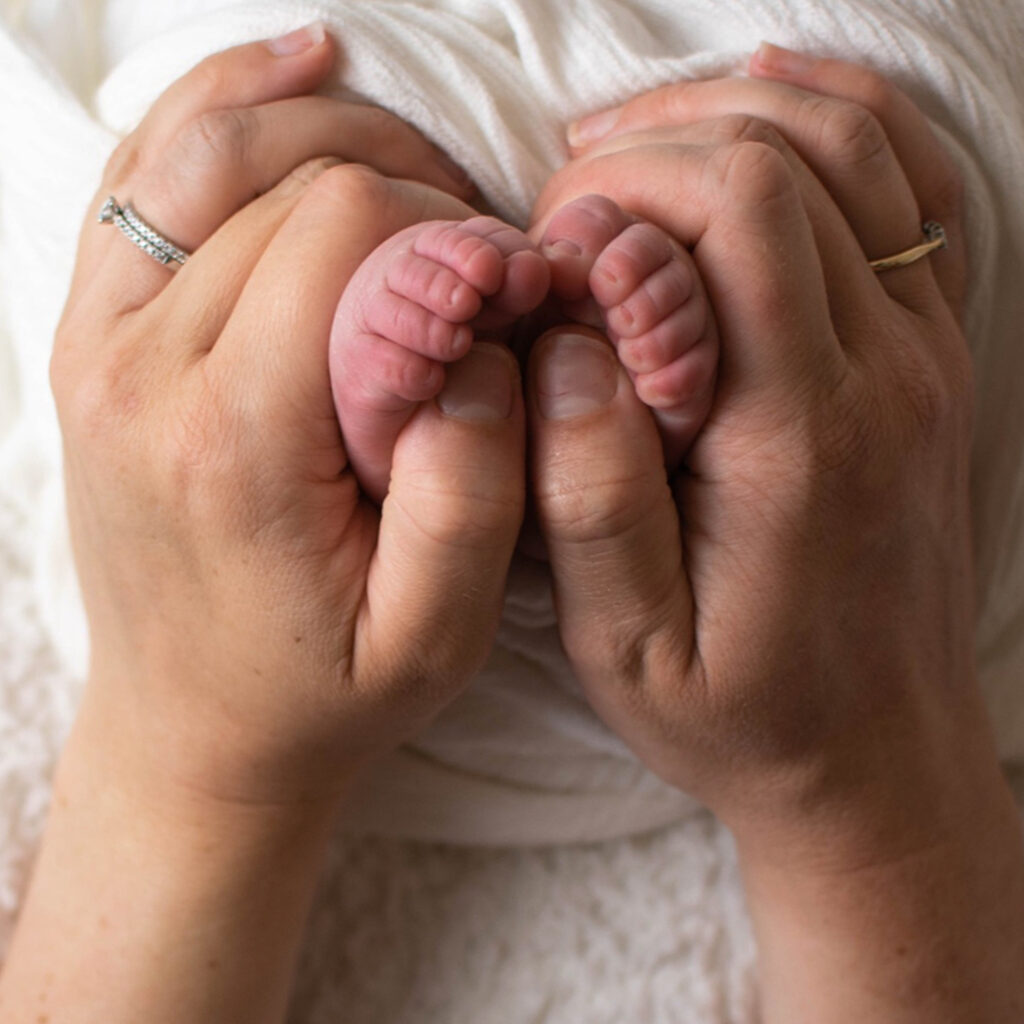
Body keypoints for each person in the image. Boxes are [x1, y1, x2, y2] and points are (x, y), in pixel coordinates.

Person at [0, 23, 1022, 1024]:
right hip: (825, 438)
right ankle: (655, 381)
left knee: (222, 157)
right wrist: (874, 794)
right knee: (857, 148)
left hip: (283, 320)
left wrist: (185, 761)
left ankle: (381, 354)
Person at [329, 195, 718, 501]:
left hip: (399, 510)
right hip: (641, 511)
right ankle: (660, 425)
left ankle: (380, 366)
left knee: (395, 327)